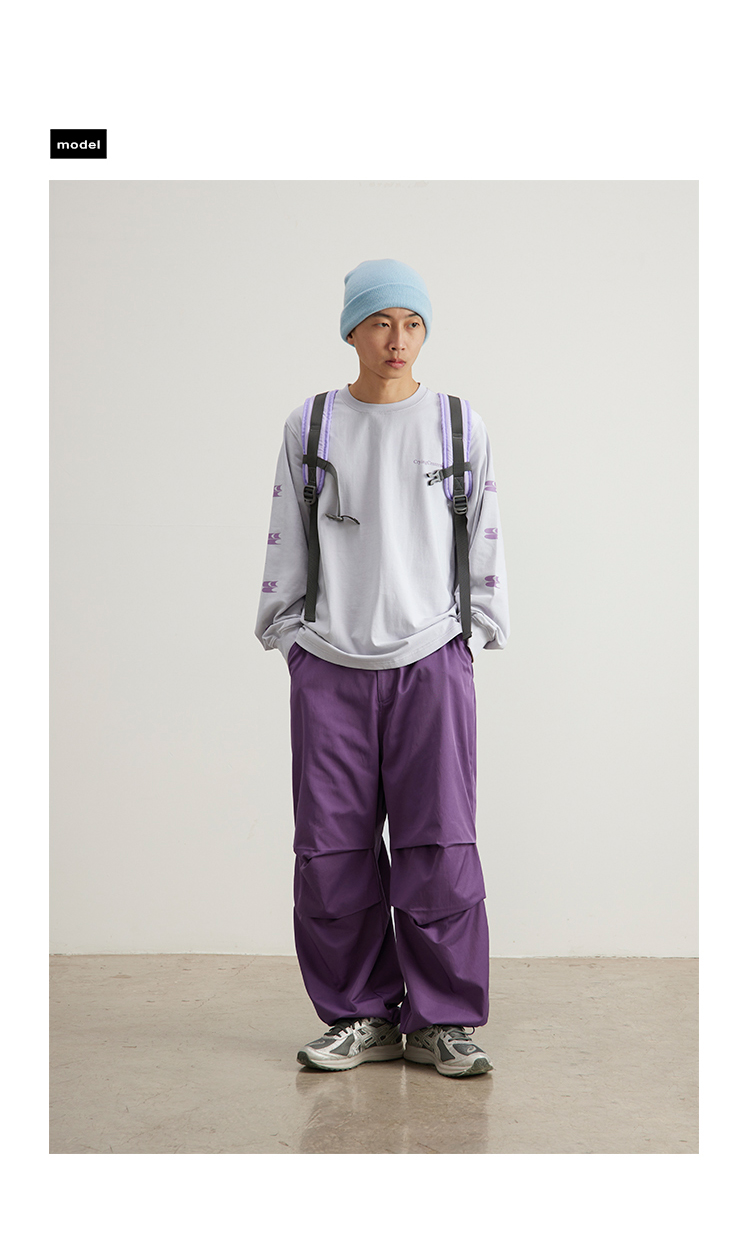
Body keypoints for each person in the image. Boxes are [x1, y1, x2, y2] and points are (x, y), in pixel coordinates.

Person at [255, 258, 510, 1078]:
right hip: (329, 662)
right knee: (330, 848)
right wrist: (290, 637)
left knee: (441, 842)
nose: (397, 339)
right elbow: (286, 529)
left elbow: (486, 530)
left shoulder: (458, 424)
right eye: (379, 322)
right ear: (351, 331)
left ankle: (442, 1021)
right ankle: (359, 1012)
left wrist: (475, 629)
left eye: (412, 323)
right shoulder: (314, 423)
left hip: (432, 658)